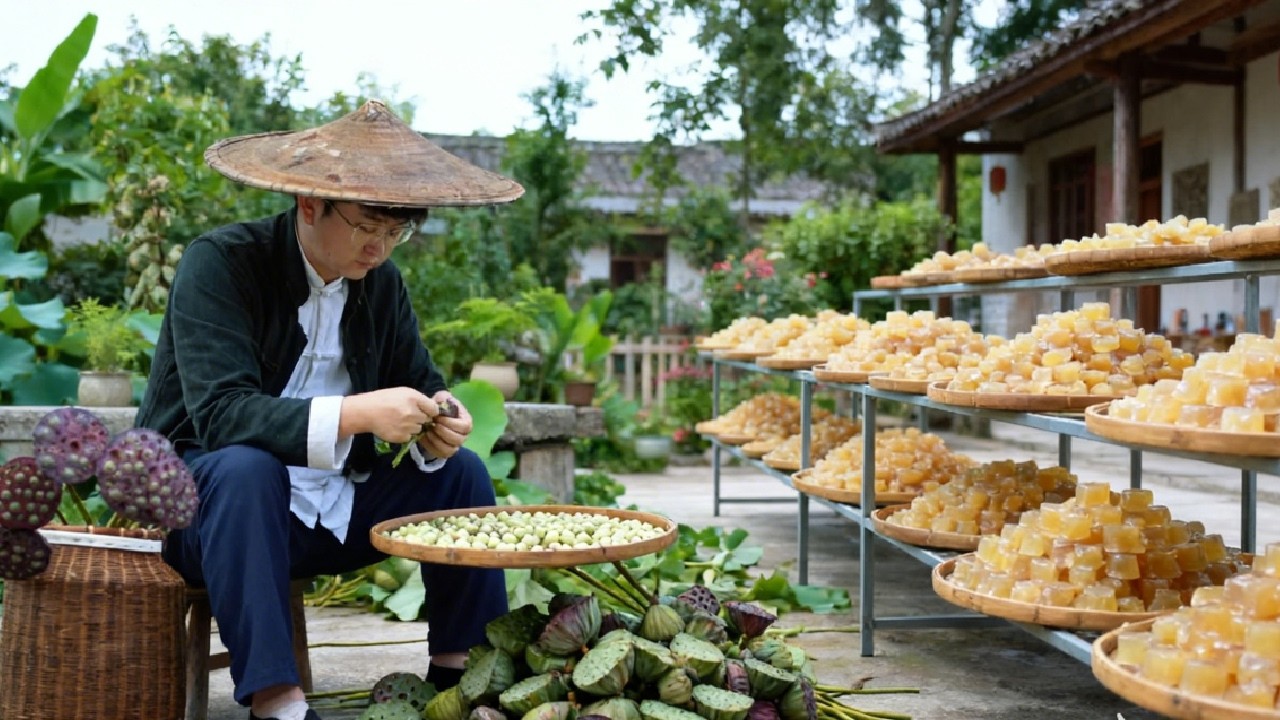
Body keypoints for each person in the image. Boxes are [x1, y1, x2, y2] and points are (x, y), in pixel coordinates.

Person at [137, 100, 525, 720]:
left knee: (464, 478)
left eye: (397, 231)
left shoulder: (382, 284)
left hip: (327, 514)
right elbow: (220, 416)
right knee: (244, 468)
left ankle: (464, 676)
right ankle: (277, 701)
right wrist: (357, 414)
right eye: (368, 226)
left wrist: (442, 419)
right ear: (309, 205)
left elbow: (421, 381)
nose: (380, 247)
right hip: (205, 515)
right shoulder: (221, 263)